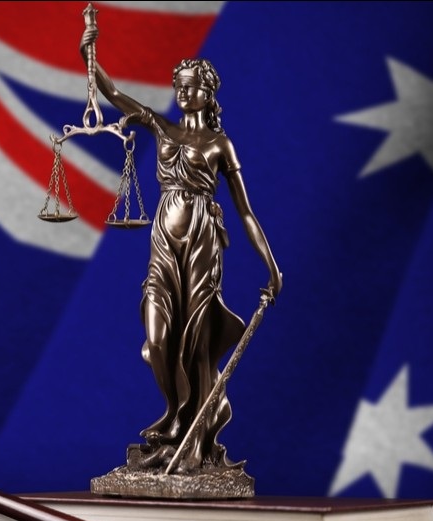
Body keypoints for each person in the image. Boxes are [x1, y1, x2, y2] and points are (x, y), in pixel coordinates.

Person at [81, 28, 283, 473]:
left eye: (193, 85)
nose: (183, 91)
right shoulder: (160, 127)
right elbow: (112, 93)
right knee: (158, 334)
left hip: (203, 238)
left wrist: (271, 265)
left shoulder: (218, 145)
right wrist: (90, 57)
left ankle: (195, 436)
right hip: (164, 239)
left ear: (208, 93)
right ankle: (175, 418)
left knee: (196, 337)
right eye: (180, 85)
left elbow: (246, 212)